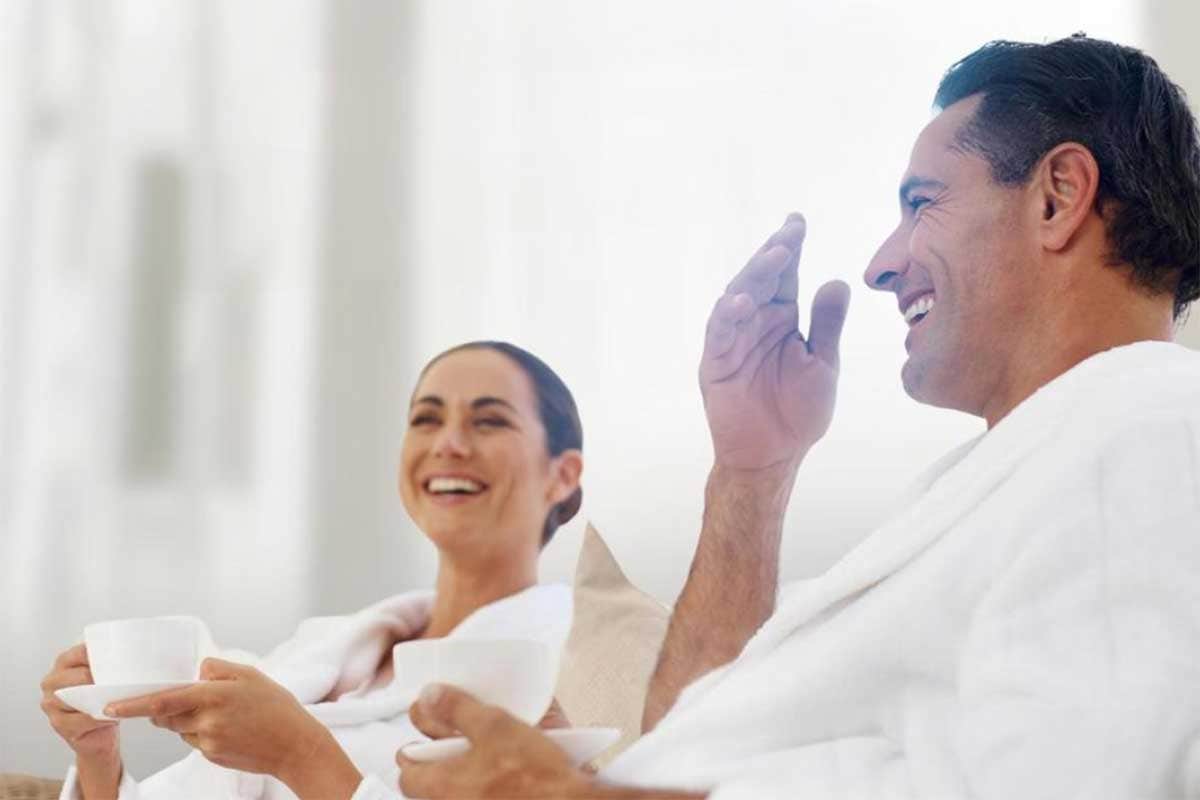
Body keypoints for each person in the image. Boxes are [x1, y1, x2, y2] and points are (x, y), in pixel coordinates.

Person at [393, 35, 1200, 800]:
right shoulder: (1017, 477)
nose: (883, 264)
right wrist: (753, 471)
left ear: (1058, 196)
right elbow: (687, 752)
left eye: (922, 203)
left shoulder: (1148, 435)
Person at [39, 341, 585, 800]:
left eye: (489, 421)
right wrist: (98, 757)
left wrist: (300, 754)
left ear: (562, 475)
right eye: (426, 418)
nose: (448, 443)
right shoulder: (324, 651)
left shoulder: (574, 664)